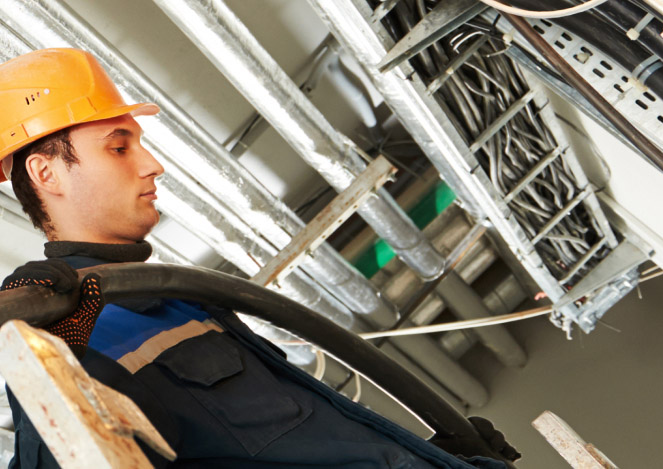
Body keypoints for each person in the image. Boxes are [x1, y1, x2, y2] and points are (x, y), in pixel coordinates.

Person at [0, 48, 517, 468]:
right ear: (48, 175)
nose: (153, 165)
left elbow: (301, 447)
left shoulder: (179, 301)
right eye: (119, 147)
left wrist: (435, 456)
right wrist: (52, 363)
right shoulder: (69, 335)